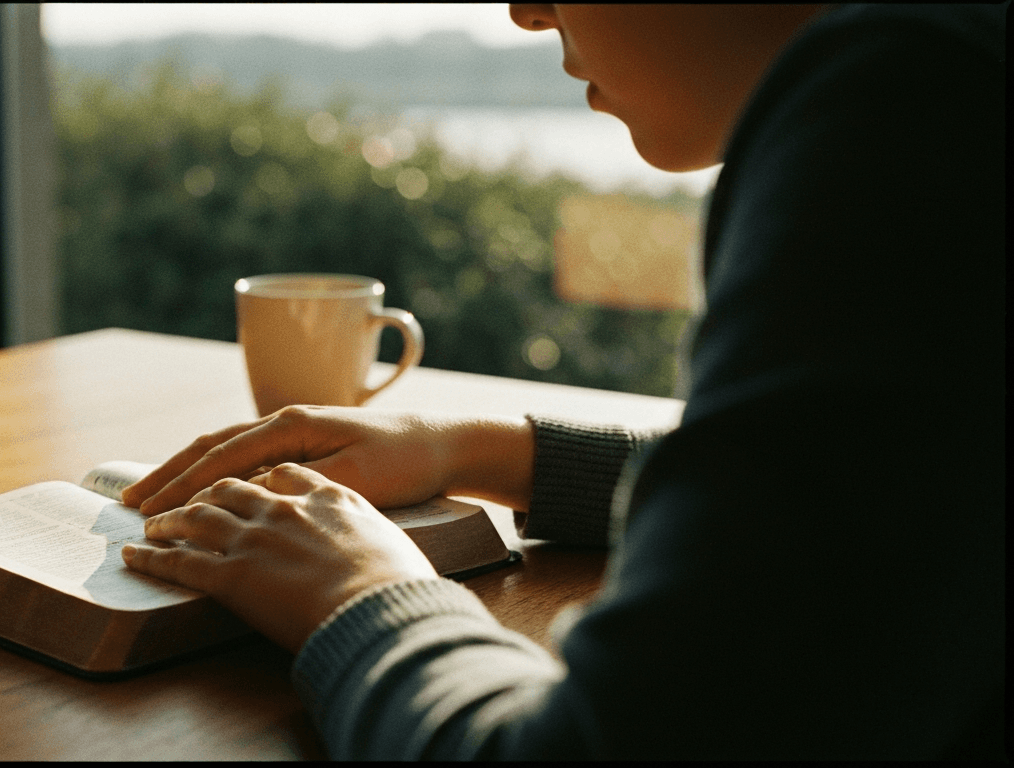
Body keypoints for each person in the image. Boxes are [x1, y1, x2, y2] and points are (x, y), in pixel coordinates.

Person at [119, 4, 1005, 759]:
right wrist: (483, 452)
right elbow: (886, 489)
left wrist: (357, 595)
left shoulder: (911, 109)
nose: (525, 10)